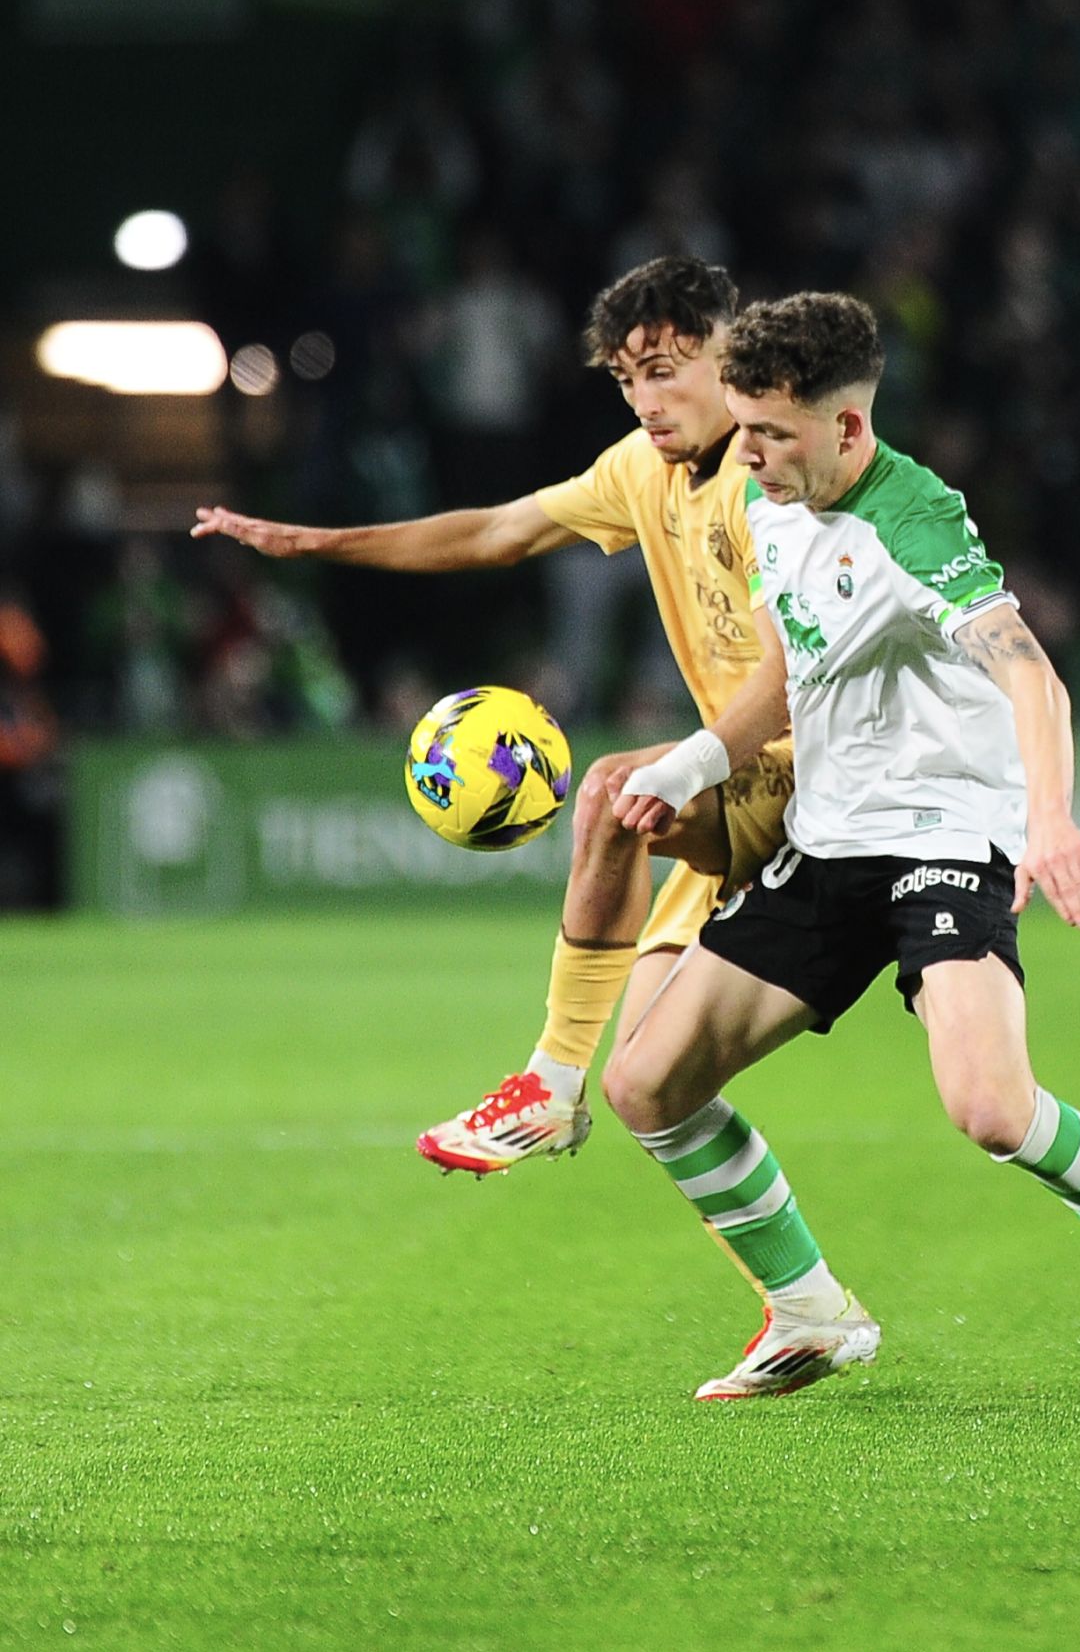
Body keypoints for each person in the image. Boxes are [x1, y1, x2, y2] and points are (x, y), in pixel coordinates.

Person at [603, 291, 1080, 1404]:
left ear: (848, 428)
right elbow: (792, 668)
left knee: (990, 1107)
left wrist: (1050, 820)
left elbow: (1032, 673)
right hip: (832, 842)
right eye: (744, 429)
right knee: (646, 1084)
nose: (748, 455)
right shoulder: (770, 496)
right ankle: (809, 1312)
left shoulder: (915, 521)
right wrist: (693, 766)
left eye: (773, 435)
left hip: (945, 834)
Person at [193, 257, 792, 1174]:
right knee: (649, 1085)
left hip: (815, 769)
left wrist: (690, 766)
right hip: (733, 776)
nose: (646, 399)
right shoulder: (640, 469)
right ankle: (812, 1310)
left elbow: (795, 678)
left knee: (609, 792)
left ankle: (550, 1081)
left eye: (666, 369)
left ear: (731, 356)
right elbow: (496, 532)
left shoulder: (771, 482)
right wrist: (316, 542)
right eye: (629, 378)